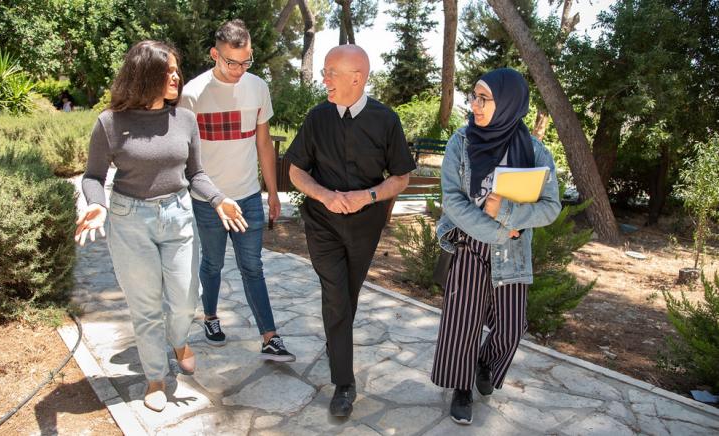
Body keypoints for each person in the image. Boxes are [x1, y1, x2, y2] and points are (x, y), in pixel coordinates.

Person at [75, 40, 247, 412]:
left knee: (186, 297)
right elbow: (93, 176)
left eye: (176, 70)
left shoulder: (184, 118)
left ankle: (179, 339)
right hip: (129, 219)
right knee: (146, 305)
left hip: (179, 215)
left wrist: (219, 198)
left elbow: (195, 173)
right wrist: (97, 205)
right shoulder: (110, 122)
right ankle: (156, 377)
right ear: (144, 74)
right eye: (167, 71)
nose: (176, 77)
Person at [286, 44, 416, 417]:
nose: (323, 78)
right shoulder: (316, 118)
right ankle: (344, 383)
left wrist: (368, 195)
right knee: (336, 295)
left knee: (349, 293)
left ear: (355, 78)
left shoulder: (386, 120)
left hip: (365, 226)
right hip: (322, 223)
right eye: (324, 71)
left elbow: (401, 177)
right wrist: (325, 195)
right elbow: (296, 170)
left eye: (330, 72)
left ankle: (336, 339)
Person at [431, 68, 561, 425]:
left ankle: (484, 362)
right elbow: (453, 202)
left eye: (483, 98)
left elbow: (550, 207)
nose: (474, 105)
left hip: (513, 253)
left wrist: (504, 210)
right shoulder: (462, 142)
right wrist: (499, 230)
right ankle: (461, 387)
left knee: (512, 326)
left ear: (508, 103)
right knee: (463, 321)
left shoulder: (534, 151)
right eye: (473, 96)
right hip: (470, 243)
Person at [179, 19, 295, 362]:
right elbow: (185, 153)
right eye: (232, 62)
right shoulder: (192, 94)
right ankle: (211, 318)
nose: (239, 70)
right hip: (209, 200)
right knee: (212, 264)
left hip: (246, 196)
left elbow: (263, 144)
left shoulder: (258, 87)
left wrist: (271, 192)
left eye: (246, 62)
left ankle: (270, 337)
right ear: (215, 53)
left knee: (252, 266)